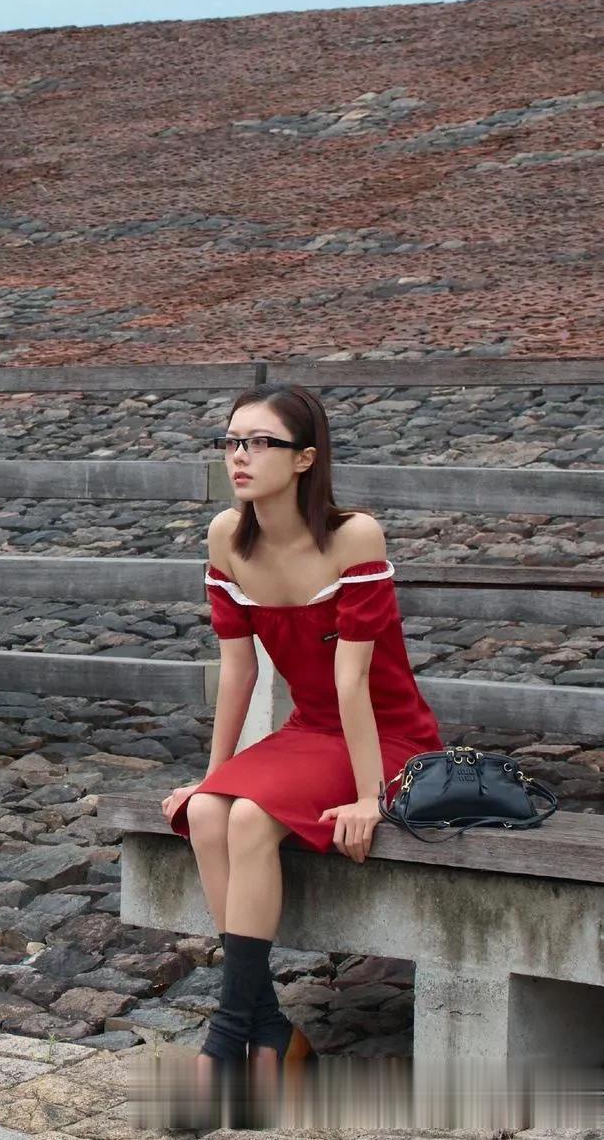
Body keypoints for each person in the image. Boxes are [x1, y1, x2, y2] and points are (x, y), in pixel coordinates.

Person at [160, 381, 443, 1086]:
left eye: (261, 443)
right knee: (208, 811)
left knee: (250, 817)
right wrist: (212, 776)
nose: (240, 456)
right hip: (310, 731)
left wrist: (373, 798)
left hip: (389, 737)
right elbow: (239, 672)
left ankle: (231, 1035)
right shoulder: (227, 537)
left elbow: (354, 683)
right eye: (232, 441)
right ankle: (269, 1030)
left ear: (305, 458)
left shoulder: (354, 536)